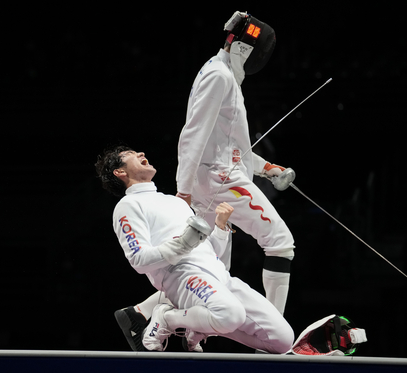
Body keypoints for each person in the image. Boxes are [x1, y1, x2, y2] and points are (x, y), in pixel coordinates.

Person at [113, 11, 295, 352]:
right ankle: (266, 339)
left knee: (208, 260)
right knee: (280, 242)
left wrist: (268, 168)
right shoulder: (218, 77)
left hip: (222, 174)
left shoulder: (226, 76)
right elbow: (192, 135)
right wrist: (183, 191)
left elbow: (233, 148)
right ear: (243, 49)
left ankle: (141, 313)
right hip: (218, 180)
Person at [95, 146, 294, 353]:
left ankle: (198, 323)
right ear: (120, 172)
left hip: (219, 277)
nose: (142, 154)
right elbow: (139, 261)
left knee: (282, 340)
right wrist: (184, 243)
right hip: (182, 276)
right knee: (229, 314)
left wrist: (220, 228)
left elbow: (208, 251)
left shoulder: (174, 202)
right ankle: (167, 317)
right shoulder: (128, 205)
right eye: (131, 154)